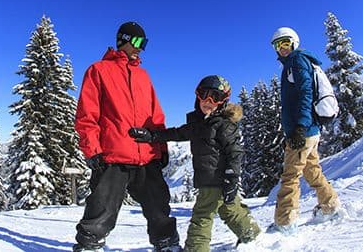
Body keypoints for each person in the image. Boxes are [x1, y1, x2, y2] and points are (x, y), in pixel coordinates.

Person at [73, 21, 181, 252]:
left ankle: (166, 244)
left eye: (145, 44)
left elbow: (156, 117)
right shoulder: (98, 70)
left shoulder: (143, 76)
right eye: (138, 42)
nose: (141, 48)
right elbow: (86, 115)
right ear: (123, 39)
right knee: (102, 208)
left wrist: (160, 148)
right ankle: (89, 245)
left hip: (146, 154)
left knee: (159, 207)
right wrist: (92, 150)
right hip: (113, 156)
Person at [129, 75, 261, 252]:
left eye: (215, 97)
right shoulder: (199, 125)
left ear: (223, 102)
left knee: (202, 216)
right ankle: (252, 234)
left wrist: (231, 177)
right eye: (204, 94)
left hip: (216, 180)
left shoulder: (223, 125)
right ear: (197, 96)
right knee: (230, 209)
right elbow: (177, 133)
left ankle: (195, 248)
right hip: (213, 179)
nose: (208, 101)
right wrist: (152, 136)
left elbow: (235, 152)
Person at [268, 27, 341, 235]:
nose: (282, 49)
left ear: (294, 43)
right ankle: (330, 205)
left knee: (290, 175)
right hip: (309, 130)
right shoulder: (293, 64)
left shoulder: (297, 61)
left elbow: (305, 94)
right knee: (312, 170)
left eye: (285, 43)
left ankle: (284, 222)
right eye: (277, 45)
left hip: (303, 131)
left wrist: (300, 127)